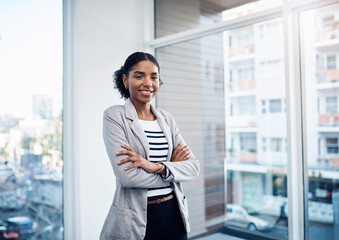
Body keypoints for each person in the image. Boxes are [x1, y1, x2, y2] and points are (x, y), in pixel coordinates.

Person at [100, 52, 200, 240]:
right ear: (125, 79)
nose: (148, 83)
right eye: (139, 76)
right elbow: (128, 177)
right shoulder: (115, 116)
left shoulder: (167, 119)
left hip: (174, 214)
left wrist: (157, 167)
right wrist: (172, 171)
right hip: (137, 217)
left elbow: (193, 167)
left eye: (153, 77)